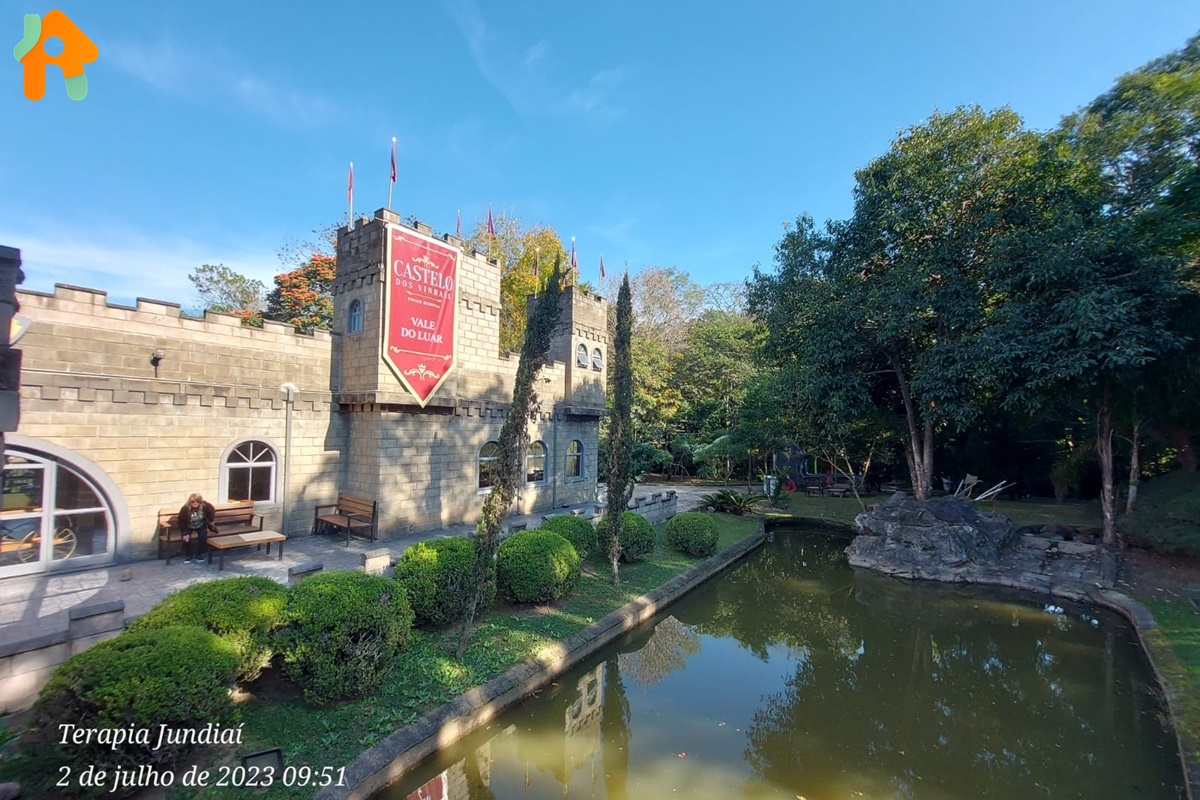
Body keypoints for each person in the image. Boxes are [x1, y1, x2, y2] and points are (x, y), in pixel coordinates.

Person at [178, 493, 217, 564]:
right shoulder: (185, 508)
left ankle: (198, 554)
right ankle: (189, 555)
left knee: (203, 537)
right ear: (190, 502)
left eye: (197, 501)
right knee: (186, 539)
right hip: (188, 525)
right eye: (192, 501)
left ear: (200, 501)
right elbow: (181, 521)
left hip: (200, 524)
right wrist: (185, 533)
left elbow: (211, 510)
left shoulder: (205, 506)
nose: (195, 503)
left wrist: (211, 520)